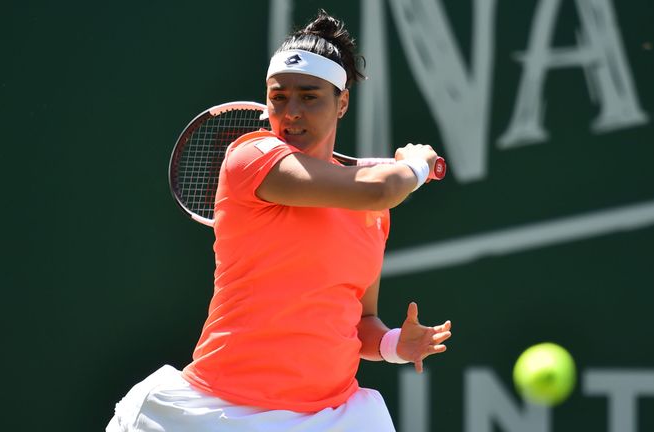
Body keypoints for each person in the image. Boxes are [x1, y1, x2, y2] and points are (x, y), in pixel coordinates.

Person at [107, 10, 452, 432]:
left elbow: (358, 323)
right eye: (278, 97)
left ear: (341, 103)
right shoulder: (251, 157)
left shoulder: (372, 215)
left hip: (330, 417)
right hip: (222, 411)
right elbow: (379, 188)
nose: (291, 112)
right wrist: (416, 165)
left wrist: (396, 344)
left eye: (309, 97)